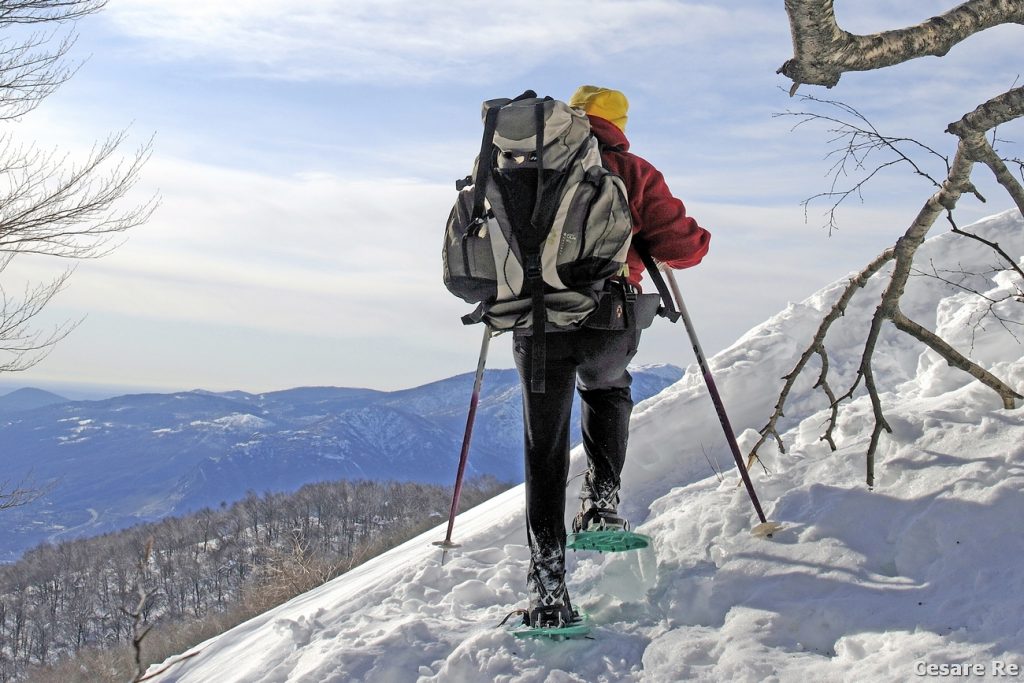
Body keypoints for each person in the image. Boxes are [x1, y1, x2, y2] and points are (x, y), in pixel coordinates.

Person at [513, 85, 711, 628]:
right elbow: (681, 249)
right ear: (618, 122)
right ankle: (601, 503)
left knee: (543, 446)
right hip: (608, 318)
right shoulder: (633, 169)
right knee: (606, 387)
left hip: (535, 321)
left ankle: (549, 587)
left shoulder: (526, 167)